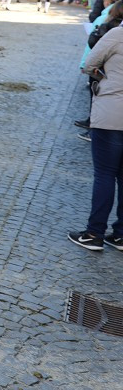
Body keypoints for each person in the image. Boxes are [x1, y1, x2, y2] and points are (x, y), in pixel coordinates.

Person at [68, 22, 123, 252]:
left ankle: (94, 233)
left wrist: (103, 76)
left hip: (111, 113)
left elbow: (89, 64)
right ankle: (120, 235)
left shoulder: (118, 33)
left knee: (105, 174)